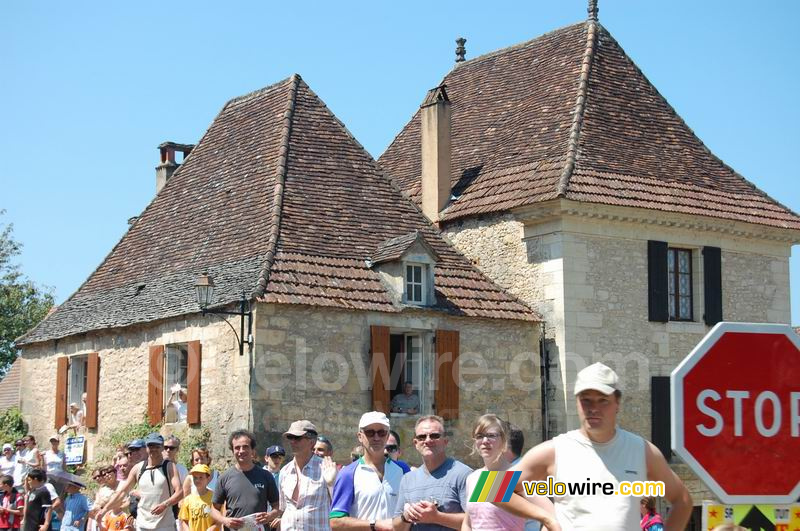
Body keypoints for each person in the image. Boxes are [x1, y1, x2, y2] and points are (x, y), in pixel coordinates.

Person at [497, 362, 693, 531]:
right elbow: (490, 489)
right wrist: (546, 517)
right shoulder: (554, 451)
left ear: (617, 402)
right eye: (586, 400)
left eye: (603, 401)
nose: (593, 409)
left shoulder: (643, 451)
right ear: (577, 402)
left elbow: (682, 500)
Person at [463, 415, 554, 531]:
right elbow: (468, 524)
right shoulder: (473, 478)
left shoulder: (514, 476)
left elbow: (552, 515)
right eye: (479, 436)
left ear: (504, 440)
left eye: (491, 435)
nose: (485, 441)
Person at [392, 415, 472, 531]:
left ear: (445, 441)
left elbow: (479, 520)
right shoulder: (407, 479)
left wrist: (437, 517)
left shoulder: (464, 474)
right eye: (422, 437)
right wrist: (406, 517)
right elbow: (397, 527)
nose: (428, 440)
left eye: (434, 436)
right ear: (415, 443)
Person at [329, 411, 403, 531]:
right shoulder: (348, 474)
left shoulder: (402, 470)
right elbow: (335, 521)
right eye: (370, 432)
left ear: (388, 435)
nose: (376, 437)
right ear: (360, 436)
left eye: (381, 432)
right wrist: (375, 524)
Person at [99, 433, 183, 531]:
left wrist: (165, 504)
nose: (153, 449)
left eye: (157, 446)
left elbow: (180, 492)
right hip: (142, 525)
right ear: (146, 448)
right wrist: (104, 510)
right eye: (150, 446)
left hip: (165, 526)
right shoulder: (138, 468)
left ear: (162, 448)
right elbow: (122, 492)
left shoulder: (169, 467)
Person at [209, 430, 279, 531]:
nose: (241, 451)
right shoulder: (224, 478)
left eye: (245, 447)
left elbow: (277, 506)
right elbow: (214, 509)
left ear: (253, 450)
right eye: (237, 448)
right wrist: (225, 520)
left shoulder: (265, 476)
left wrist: (269, 516)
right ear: (233, 451)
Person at [274, 420, 333, 530]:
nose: (292, 441)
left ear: (312, 442)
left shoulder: (326, 468)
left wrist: (332, 483)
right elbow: (284, 508)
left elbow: (337, 505)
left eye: (297, 438)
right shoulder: (285, 471)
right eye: (290, 437)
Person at [177, 465, 214, 531]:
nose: (197, 480)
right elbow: (184, 521)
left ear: (208, 478)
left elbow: (220, 519)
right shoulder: (188, 500)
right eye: (195, 477)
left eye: (201, 477)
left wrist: (212, 528)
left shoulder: (214, 497)